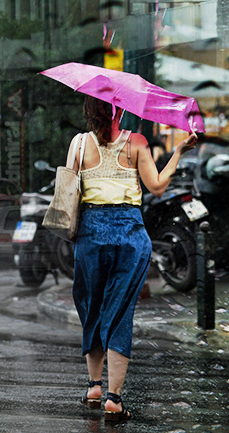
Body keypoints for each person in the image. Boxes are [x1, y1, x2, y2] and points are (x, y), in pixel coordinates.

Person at [69, 96, 198, 422]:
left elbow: (69, 191)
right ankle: (114, 399)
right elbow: (156, 187)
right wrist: (179, 151)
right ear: (120, 110)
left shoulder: (79, 145)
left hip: (91, 235)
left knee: (92, 307)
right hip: (129, 236)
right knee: (120, 311)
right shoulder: (137, 142)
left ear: (89, 110)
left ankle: (94, 387)